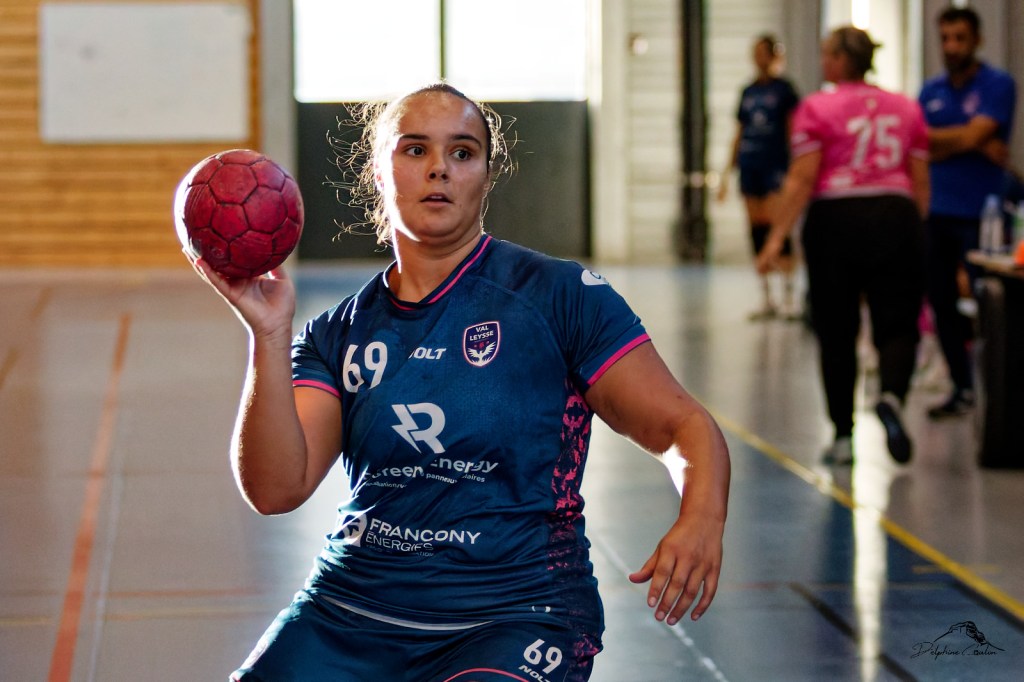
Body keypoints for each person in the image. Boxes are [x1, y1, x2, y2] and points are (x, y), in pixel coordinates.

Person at [185, 83, 731, 681]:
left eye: (462, 152)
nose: (439, 168)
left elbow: (683, 426)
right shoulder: (336, 334)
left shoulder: (560, 297)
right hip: (350, 609)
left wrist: (701, 518)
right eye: (415, 149)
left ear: (486, 177)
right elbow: (275, 490)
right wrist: (268, 333)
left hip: (515, 613)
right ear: (379, 171)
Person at [756, 27, 930, 466]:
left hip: (836, 219)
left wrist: (776, 238)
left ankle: (842, 436)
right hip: (895, 214)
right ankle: (891, 396)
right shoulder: (905, 108)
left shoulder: (817, 107)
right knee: (898, 323)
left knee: (836, 329)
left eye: (826, 54)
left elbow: (802, 178)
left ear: (839, 61)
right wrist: (916, 228)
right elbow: (920, 181)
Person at [918, 6, 1017, 419]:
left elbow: (975, 134)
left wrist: (957, 139)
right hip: (937, 211)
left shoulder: (998, 84)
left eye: (960, 38)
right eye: (945, 38)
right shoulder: (931, 90)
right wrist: (970, 139)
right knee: (942, 302)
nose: (952, 46)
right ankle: (961, 387)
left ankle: (998, 393)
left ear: (977, 40)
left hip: (983, 214)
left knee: (989, 304)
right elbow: (922, 143)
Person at [719, 34, 801, 320]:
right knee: (756, 229)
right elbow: (739, 133)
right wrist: (726, 174)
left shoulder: (784, 90)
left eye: (763, 52)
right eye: (755, 53)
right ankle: (767, 298)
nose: (758, 58)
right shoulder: (748, 91)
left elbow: (792, 130)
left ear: (774, 55)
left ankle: (788, 295)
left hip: (775, 165)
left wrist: (794, 168)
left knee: (779, 227)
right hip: (750, 165)